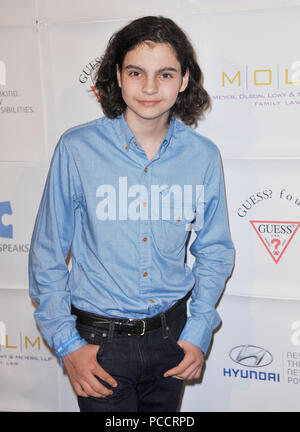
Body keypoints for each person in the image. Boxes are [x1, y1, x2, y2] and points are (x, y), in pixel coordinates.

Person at [28, 15, 235, 412]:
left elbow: (215, 250)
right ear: (118, 77)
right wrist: (67, 344)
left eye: (166, 74)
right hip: (98, 345)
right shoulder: (76, 149)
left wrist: (199, 329)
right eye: (137, 72)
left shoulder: (203, 156)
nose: (151, 87)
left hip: (172, 338)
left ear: (185, 79)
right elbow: (47, 253)